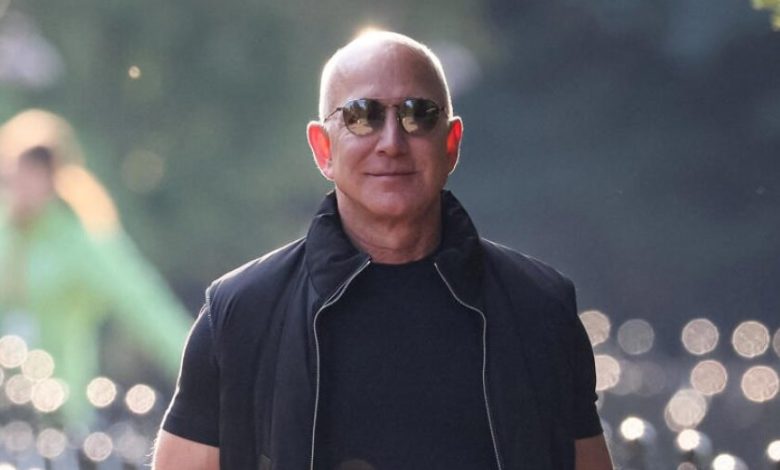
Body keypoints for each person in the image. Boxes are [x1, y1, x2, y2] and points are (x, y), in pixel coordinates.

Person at [154, 31, 613, 470]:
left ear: (451, 143)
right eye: (361, 116)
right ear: (322, 148)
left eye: (418, 115)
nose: (392, 142)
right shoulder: (241, 314)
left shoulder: (540, 309)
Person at [0, 109, 193, 427]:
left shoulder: (80, 240)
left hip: (57, 417)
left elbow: (145, 305)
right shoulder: (5, 233)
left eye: (37, 170)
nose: (26, 179)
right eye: (20, 167)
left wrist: (204, 372)